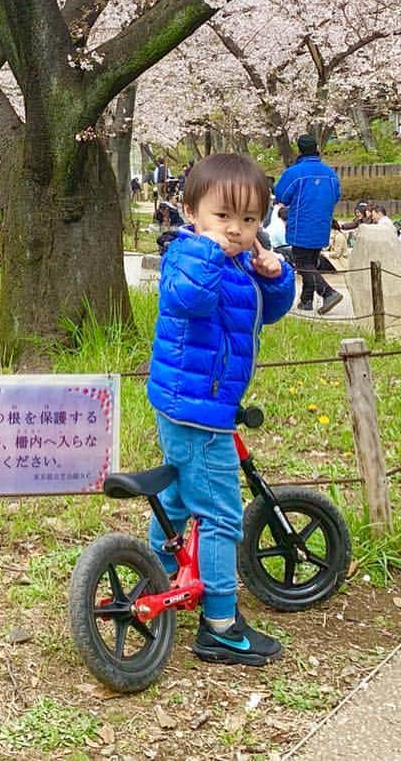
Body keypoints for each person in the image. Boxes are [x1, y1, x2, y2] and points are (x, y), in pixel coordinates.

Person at [147, 153, 295, 666]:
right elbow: (189, 299)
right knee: (221, 515)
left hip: (197, 400)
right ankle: (221, 624)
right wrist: (212, 251)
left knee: (179, 496)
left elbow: (265, 309)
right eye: (223, 217)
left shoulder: (238, 261)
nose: (236, 230)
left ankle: (158, 567)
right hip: (198, 408)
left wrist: (273, 274)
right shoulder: (190, 256)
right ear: (191, 212)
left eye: (249, 220)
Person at [274, 135, 343, 316]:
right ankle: (306, 300)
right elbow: (336, 195)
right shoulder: (330, 173)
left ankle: (328, 292)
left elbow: (281, 195)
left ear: (300, 150)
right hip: (322, 224)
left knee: (303, 263)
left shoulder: (295, 172)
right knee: (311, 261)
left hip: (301, 224)